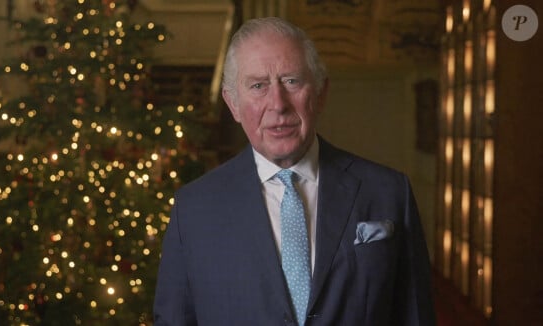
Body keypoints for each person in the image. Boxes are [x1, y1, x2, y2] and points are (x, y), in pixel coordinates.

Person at [153, 17, 436, 325]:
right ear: (233, 104)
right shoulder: (193, 210)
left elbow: (415, 316)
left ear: (321, 93)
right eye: (258, 86)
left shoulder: (388, 192)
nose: (278, 104)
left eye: (291, 81)